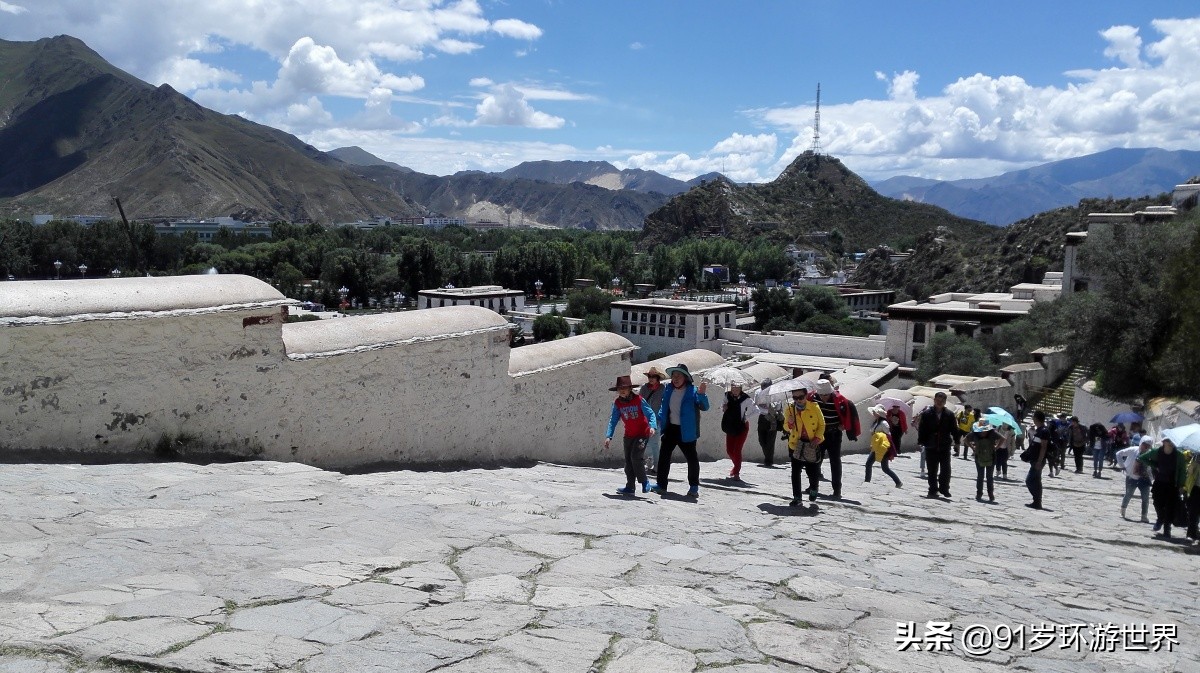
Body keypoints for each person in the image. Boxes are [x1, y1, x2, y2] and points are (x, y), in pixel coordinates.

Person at [652, 364, 709, 498]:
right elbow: (664, 407)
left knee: (692, 459)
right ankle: (661, 485)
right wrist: (658, 420)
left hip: (686, 430)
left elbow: (704, 407)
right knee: (664, 456)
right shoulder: (668, 389)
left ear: (686, 378)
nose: (675, 378)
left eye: (679, 376)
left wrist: (702, 395)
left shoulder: (693, 391)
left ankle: (694, 487)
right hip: (671, 428)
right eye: (673, 376)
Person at [604, 375, 657, 495]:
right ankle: (630, 487)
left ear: (630, 389)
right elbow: (613, 420)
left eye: (625, 388)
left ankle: (644, 482)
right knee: (628, 461)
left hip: (642, 434)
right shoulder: (618, 403)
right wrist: (609, 436)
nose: (622, 390)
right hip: (628, 435)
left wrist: (652, 427)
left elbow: (651, 414)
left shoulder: (639, 400)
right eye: (620, 388)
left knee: (635, 457)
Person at [810, 378, 860, 500]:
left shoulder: (840, 400)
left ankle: (837, 489)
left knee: (835, 461)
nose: (824, 398)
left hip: (834, 434)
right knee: (815, 460)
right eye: (821, 395)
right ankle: (813, 488)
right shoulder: (812, 398)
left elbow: (846, 414)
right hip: (818, 434)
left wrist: (844, 426)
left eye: (826, 395)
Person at [1137, 438, 1187, 539]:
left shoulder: (1179, 455)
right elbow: (1142, 458)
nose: (1171, 443)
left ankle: (1167, 530)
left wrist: (1181, 485)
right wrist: (1155, 466)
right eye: (1169, 441)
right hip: (1159, 482)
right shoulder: (1157, 452)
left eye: (1172, 441)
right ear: (1164, 443)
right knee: (1157, 503)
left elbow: (1182, 470)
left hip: (1173, 484)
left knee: (1169, 507)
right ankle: (1160, 518)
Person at [784, 382, 826, 505]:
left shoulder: (814, 407)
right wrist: (790, 423)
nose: (798, 400)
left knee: (812, 470)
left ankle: (814, 488)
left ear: (806, 395)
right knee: (795, 471)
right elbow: (786, 428)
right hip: (796, 443)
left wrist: (817, 438)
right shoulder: (790, 409)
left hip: (811, 443)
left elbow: (822, 425)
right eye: (795, 398)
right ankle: (797, 497)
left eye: (801, 397)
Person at [917, 392, 959, 499]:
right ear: (934, 400)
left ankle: (944, 488)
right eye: (937, 400)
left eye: (942, 401)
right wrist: (921, 442)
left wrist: (957, 441)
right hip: (931, 445)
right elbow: (922, 429)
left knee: (946, 469)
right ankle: (932, 490)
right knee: (932, 470)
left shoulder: (949, 415)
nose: (939, 403)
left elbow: (954, 429)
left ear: (945, 402)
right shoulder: (927, 414)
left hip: (944, 446)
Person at [720, 380, 758, 481]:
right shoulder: (726, 396)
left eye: (737, 388)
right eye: (733, 387)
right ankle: (736, 465)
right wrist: (724, 407)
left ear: (741, 388)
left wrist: (746, 417)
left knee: (737, 450)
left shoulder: (746, 399)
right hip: (730, 426)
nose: (735, 390)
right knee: (729, 450)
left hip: (741, 427)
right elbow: (721, 407)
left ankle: (736, 472)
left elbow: (756, 410)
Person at [1116, 436, 1153, 523]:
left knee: (1145, 498)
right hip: (1132, 477)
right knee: (1128, 494)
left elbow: (1151, 467)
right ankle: (1123, 511)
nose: (1146, 447)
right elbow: (1119, 454)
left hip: (1144, 478)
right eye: (1144, 444)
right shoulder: (1133, 450)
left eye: (1148, 446)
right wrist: (1122, 466)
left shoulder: (1150, 454)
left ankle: (1144, 516)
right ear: (1141, 443)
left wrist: (1151, 477)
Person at [965, 419, 1003, 502]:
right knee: (981, 476)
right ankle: (980, 493)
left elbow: (1003, 439)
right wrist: (973, 448)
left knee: (988, 476)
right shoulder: (976, 433)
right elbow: (966, 439)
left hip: (990, 456)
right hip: (980, 456)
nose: (983, 432)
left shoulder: (991, 433)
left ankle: (989, 494)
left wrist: (996, 448)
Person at [864, 405, 902, 488]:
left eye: (875, 412)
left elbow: (888, 436)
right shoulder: (876, 422)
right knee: (869, 463)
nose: (873, 413)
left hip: (882, 447)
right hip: (876, 446)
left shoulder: (884, 423)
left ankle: (898, 482)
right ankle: (867, 481)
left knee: (884, 468)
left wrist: (889, 449)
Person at [638, 367, 666, 475]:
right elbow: (639, 402)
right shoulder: (644, 388)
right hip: (644, 420)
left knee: (654, 443)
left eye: (653, 376)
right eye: (649, 376)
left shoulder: (662, 389)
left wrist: (660, 416)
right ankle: (649, 461)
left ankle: (657, 465)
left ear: (657, 378)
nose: (651, 378)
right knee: (645, 442)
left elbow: (664, 404)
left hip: (657, 420)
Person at [1026, 410, 1050, 510]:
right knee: (1036, 481)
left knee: (1029, 480)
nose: (1033, 419)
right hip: (1035, 459)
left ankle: (1037, 500)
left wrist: (1039, 461)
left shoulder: (1044, 431)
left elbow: (1043, 447)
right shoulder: (1039, 430)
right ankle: (1037, 502)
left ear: (1036, 418)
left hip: (1038, 460)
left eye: (1033, 417)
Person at [754, 378, 781, 467]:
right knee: (761, 439)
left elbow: (778, 406)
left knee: (770, 440)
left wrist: (772, 408)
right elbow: (756, 404)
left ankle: (768, 460)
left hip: (772, 418)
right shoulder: (758, 392)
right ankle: (768, 456)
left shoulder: (775, 394)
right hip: (762, 417)